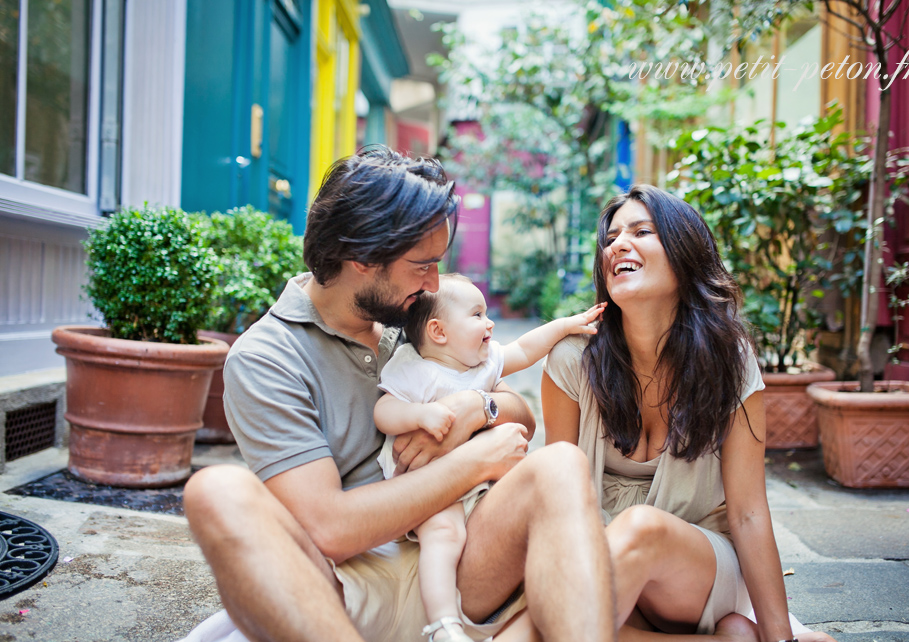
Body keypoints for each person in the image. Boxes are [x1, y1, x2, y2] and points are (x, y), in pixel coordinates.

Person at [178, 146, 616, 642]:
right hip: (343, 597)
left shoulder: (410, 323)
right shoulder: (267, 357)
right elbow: (331, 529)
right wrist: (470, 462)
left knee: (561, 463)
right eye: (421, 264)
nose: (434, 283)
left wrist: (473, 409)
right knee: (216, 491)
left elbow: (517, 417)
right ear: (362, 256)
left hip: (463, 563)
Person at [538, 185, 837, 641]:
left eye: (642, 231)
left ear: (683, 253)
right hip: (599, 566)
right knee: (549, 599)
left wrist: (781, 637)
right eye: (612, 237)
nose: (618, 244)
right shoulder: (571, 360)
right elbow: (555, 500)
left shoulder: (728, 360)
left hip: (693, 569)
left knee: (634, 535)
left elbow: (750, 512)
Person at [374, 273, 606, 642]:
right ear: (438, 332)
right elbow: (383, 410)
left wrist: (565, 326)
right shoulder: (414, 367)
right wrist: (419, 416)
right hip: (428, 481)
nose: (490, 322)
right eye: (477, 314)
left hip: (480, 482)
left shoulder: (484, 364)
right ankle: (443, 624)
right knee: (444, 535)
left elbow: (527, 349)